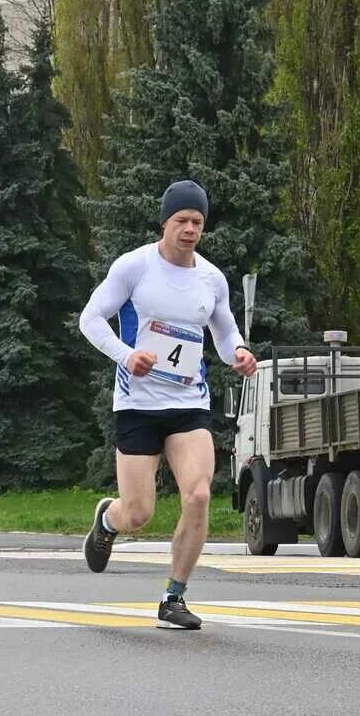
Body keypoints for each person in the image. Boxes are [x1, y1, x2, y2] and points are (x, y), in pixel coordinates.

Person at [77, 180, 257, 630]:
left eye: (198, 222)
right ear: (165, 222)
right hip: (137, 404)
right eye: (182, 221)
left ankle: (173, 597)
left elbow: (224, 330)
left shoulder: (211, 278)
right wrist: (126, 355)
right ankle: (109, 519)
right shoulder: (134, 267)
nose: (190, 229)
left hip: (188, 403)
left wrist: (238, 353)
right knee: (139, 513)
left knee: (198, 495)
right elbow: (91, 318)